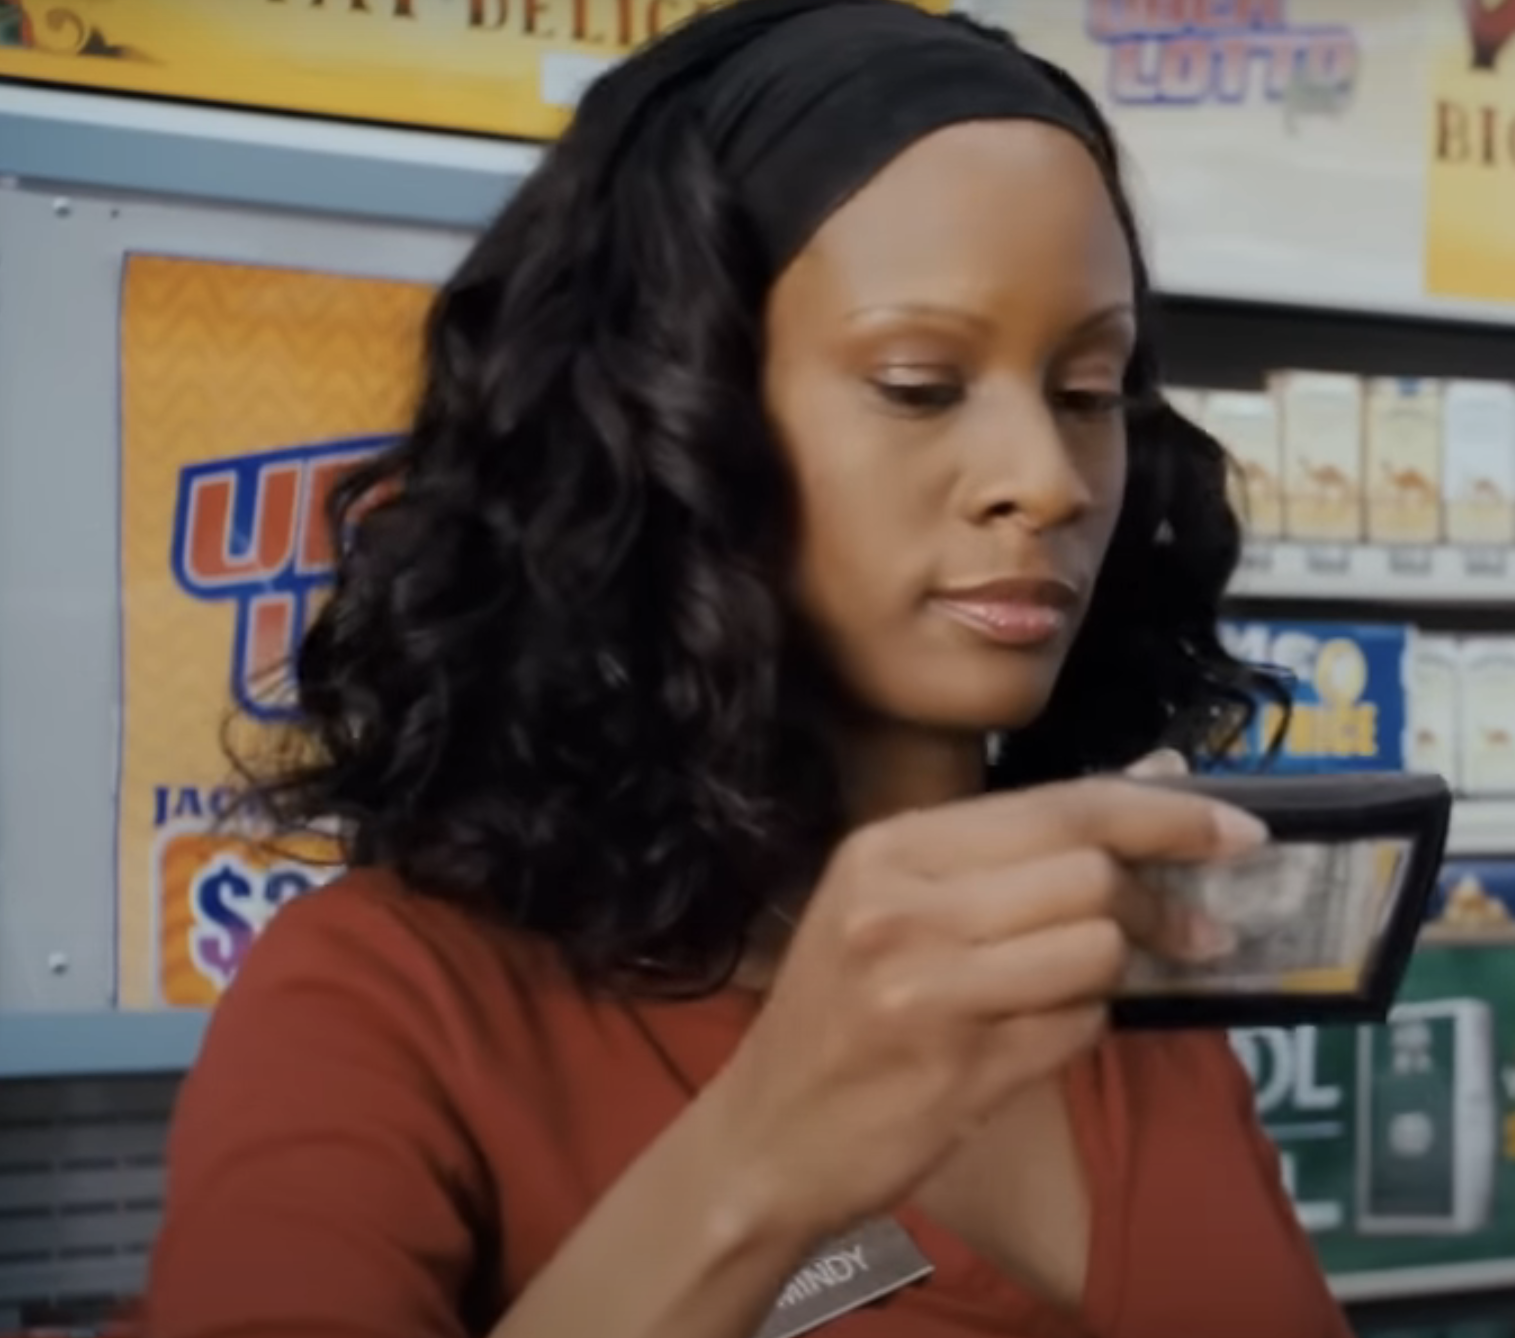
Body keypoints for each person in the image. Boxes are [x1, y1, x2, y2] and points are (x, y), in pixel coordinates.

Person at [142, 3, 1352, 1335]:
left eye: (1087, 393)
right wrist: (765, 1158)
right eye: (917, 383)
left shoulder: (1114, 983)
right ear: (663, 418)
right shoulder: (383, 1003)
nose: (1046, 480)